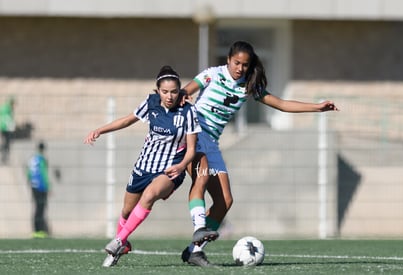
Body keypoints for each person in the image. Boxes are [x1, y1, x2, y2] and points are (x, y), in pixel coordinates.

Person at [179, 41, 339, 266]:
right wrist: (181, 96)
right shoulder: (211, 75)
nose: (240, 68)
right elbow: (186, 90)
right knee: (201, 178)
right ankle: (198, 229)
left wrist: (317, 107)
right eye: (236, 63)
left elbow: (282, 104)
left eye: (245, 65)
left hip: (212, 142)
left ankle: (194, 251)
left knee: (225, 201)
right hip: (194, 135)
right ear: (228, 60)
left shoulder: (248, 86)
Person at [84, 65, 201, 267]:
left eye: (174, 91)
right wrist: (100, 130)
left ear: (180, 91)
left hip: (171, 169)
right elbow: (127, 120)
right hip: (143, 166)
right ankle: (123, 245)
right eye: (165, 92)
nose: (170, 96)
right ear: (157, 91)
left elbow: (191, 149)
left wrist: (182, 166)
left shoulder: (188, 111)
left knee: (149, 196)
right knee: (126, 212)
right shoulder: (151, 103)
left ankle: (119, 241)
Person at [27, 141, 51, 238]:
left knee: (36, 208)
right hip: (41, 187)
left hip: (33, 186)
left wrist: (31, 184)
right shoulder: (41, 159)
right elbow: (43, 173)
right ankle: (39, 230)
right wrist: (47, 187)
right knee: (40, 208)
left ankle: (35, 230)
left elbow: (28, 174)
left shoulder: (32, 159)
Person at [0, 97, 15, 164]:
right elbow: (9, 119)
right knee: (7, 143)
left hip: (2, 127)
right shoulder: (9, 109)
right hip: (6, 128)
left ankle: (4, 157)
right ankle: (5, 158)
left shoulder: (2, 108)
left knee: (4, 142)